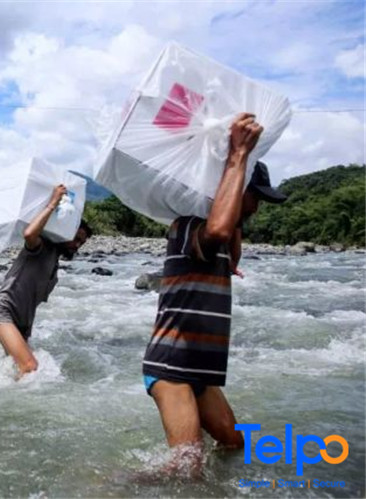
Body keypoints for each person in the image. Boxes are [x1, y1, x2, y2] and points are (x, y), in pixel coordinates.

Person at [141, 113, 287, 477]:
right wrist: (237, 156)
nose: (258, 206)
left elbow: (231, 247)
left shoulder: (222, 238)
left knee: (233, 443)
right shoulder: (187, 227)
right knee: (186, 467)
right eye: (255, 198)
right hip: (172, 366)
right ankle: (110, 487)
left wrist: (234, 206)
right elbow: (218, 230)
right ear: (235, 189)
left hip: (200, 371)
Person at [0, 185, 92, 377]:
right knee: (30, 368)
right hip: (2, 312)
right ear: (65, 232)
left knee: (18, 369)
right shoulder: (41, 247)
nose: (77, 246)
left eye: (81, 243)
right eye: (76, 239)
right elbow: (29, 234)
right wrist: (53, 203)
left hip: (22, 322)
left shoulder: (54, 261)